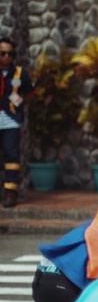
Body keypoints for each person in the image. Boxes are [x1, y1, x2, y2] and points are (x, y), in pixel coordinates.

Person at [0, 37, 35, 208]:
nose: (6, 57)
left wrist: (18, 101)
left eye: (10, 54)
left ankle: (11, 194)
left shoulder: (20, 73)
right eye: (3, 53)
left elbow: (30, 91)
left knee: (11, 156)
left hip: (10, 121)